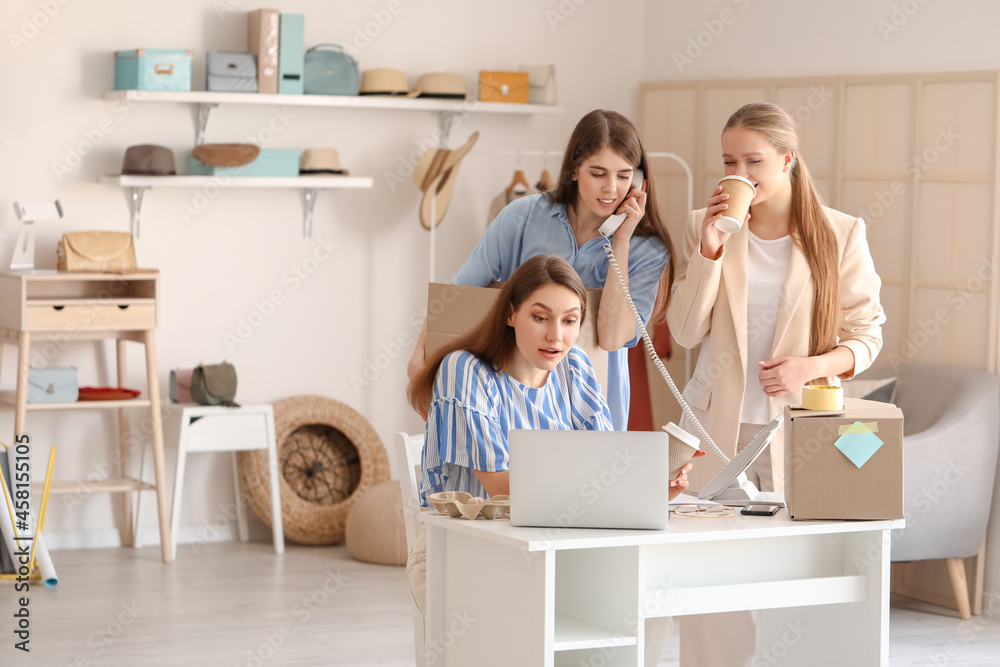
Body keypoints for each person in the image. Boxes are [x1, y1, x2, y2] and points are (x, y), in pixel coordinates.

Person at [664, 102, 886, 666]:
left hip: (803, 431)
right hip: (720, 431)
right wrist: (710, 247)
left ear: (787, 160)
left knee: (802, 580)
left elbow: (867, 335)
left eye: (754, 160)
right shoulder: (703, 226)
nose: (739, 173)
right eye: (729, 160)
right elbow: (686, 331)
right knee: (713, 586)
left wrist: (810, 367)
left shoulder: (840, 233)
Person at [405, 255, 693, 614]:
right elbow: (501, 489)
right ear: (511, 314)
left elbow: (604, 467)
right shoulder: (464, 370)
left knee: (642, 601)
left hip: (553, 546)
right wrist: (607, 492)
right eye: (540, 318)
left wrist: (647, 491)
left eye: (570, 321)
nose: (556, 336)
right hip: (462, 549)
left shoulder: (575, 365)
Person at [407, 109, 676, 431]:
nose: (611, 189)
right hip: (514, 392)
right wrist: (422, 353)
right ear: (575, 170)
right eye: (598, 173)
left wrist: (621, 241)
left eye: (623, 175)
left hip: (594, 401)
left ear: (638, 181)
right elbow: (461, 290)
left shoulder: (648, 249)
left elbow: (613, 338)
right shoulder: (522, 216)